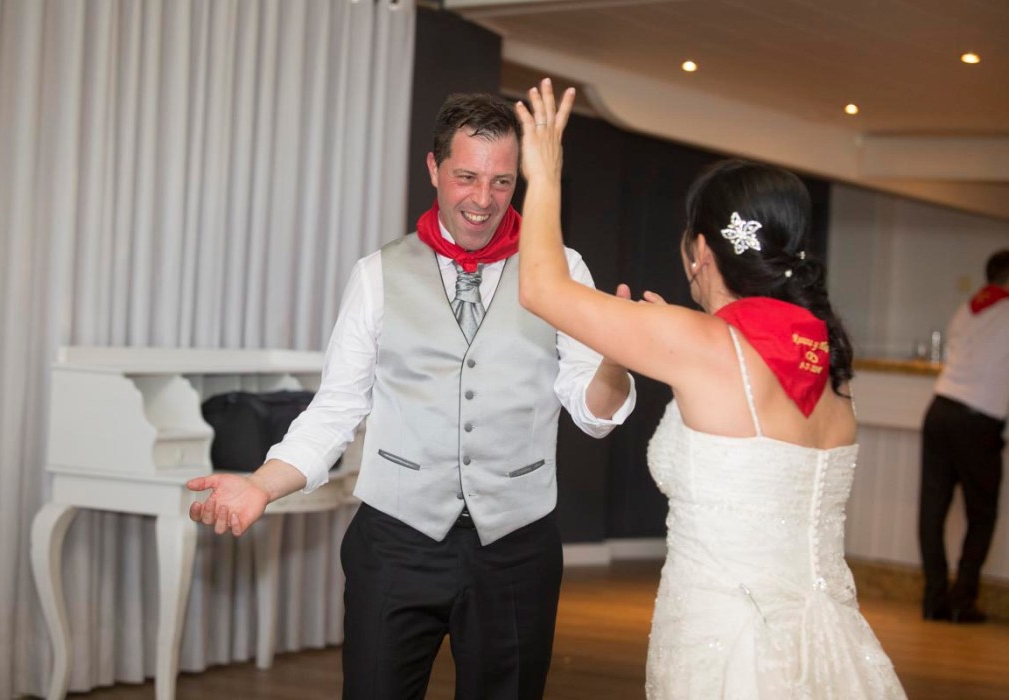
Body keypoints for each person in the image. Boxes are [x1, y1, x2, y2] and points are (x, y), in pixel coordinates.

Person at [186, 91, 635, 699]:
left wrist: (616, 359)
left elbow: (594, 413)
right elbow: (337, 409)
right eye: (466, 177)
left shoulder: (563, 271)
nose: (483, 199)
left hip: (516, 550)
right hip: (396, 544)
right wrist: (260, 485)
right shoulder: (377, 275)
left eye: (502, 182)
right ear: (433, 168)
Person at [513, 79, 906, 698]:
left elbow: (540, 287)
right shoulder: (828, 360)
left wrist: (544, 174)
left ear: (700, 250)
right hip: (828, 640)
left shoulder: (702, 343)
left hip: (725, 642)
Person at [919, 249, 1009, 623]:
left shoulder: (966, 309)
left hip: (940, 410)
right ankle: (962, 600)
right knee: (981, 514)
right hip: (978, 420)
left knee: (932, 510)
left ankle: (934, 599)